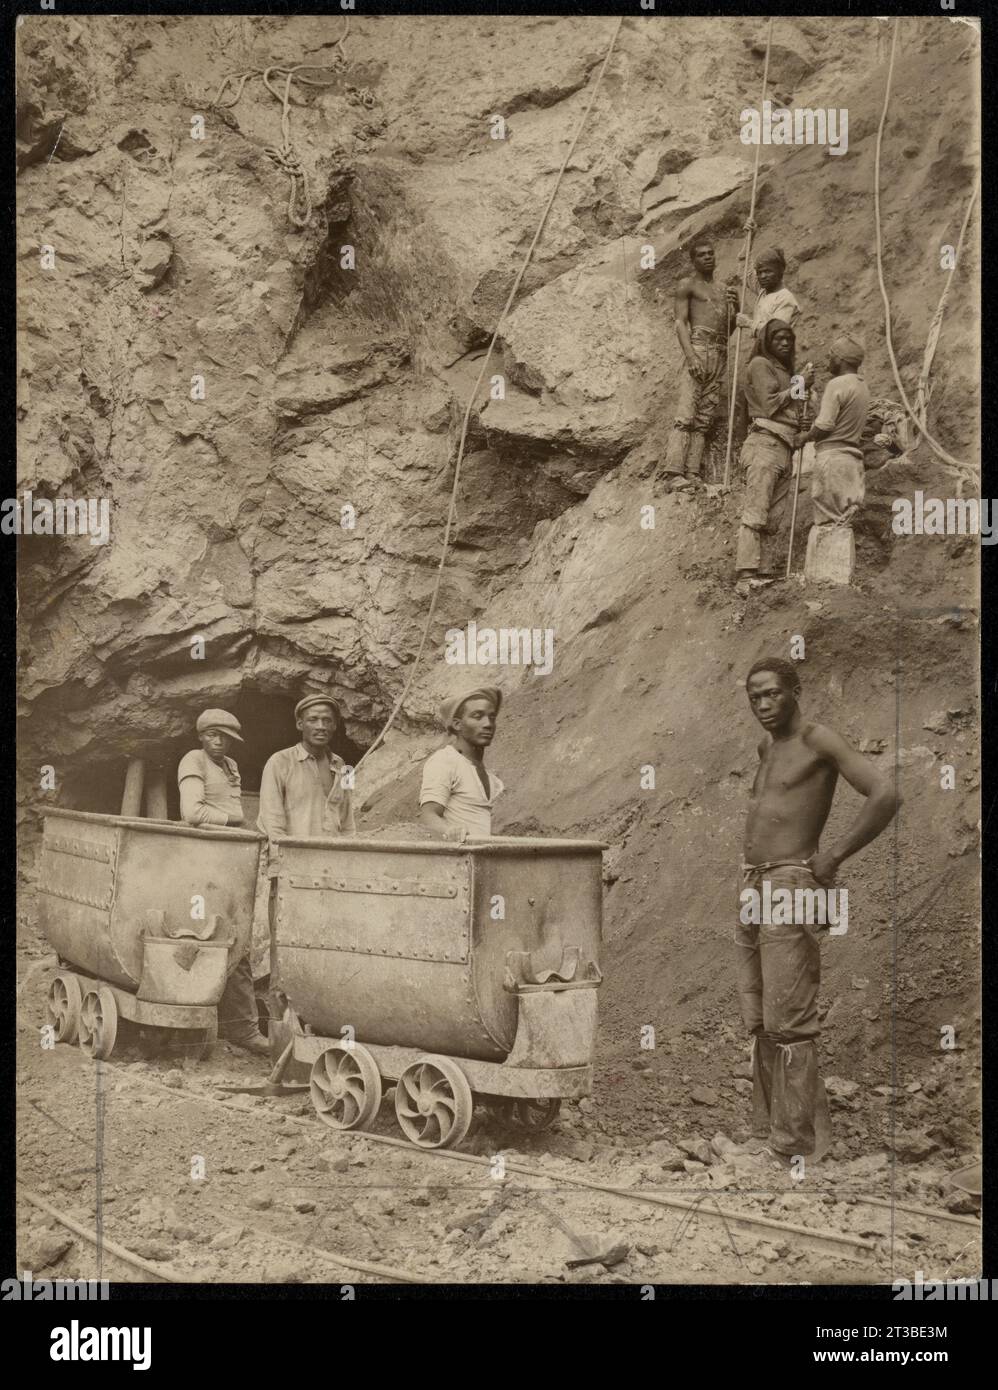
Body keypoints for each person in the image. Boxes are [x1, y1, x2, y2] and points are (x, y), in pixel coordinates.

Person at [737, 658, 899, 1161]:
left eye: (772, 694)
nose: (763, 705)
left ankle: (796, 1146)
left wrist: (832, 857)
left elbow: (886, 793)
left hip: (792, 881)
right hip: (753, 884)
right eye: (755, 697)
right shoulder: (767, 746)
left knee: (790, 1018)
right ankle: (779, 1132)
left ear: (795, 691)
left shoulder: (818, 739)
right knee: (760, 1016)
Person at [177, 709, 268, 1056]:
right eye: (213, 734)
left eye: (225, 736)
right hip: (199, 860)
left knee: (237, 940)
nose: (219, 741)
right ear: (201, 736)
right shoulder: (193, 761)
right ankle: (188, 1028)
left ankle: (242, 1028)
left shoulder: (230, 767)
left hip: (228, 862)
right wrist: (235, 819)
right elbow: (192, 813)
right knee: (198, 938)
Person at [734, 319, 814, 596]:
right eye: (778, 338)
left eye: (788, 339)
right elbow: (769, 405)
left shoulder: (785, 371)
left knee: (774, 516)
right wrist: (798, 385)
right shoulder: (759, 365)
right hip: (764, 443)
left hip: (784, 447)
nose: (784, 343)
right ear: (768, 340)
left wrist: (801, 421)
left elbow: (792, 407)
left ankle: (764, 570)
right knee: (757, 509)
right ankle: (745, 573)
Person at [660, 236, 739, 491]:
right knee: (686, 413)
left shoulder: (723, 289)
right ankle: (673, 473)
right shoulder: (688, 285)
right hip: (699, 347)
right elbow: (680, 322)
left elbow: (729, 328)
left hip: (720, 352)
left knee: (704, 417)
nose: (708, 257)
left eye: (711, 253)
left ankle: (692, 472)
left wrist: (734, 307)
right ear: (694, 260)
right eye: (702, 254)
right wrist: (691, 356)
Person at [792, 334, 871, 575]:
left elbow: (826, 425)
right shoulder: (861, 385)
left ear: (841, 359)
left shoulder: (836, 384)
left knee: (827, 521)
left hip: (832, 458)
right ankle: (839, 578)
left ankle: (823, 578)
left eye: (831, 356)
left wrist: (804, 437)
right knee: (842, 521)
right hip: (851, 460)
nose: (828, 360)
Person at [258, 696, 357, 881]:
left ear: (335, 726)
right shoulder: (279, 762)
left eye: (327, 720)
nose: (321, 726)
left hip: (333, 867)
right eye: (313, 720)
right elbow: (272, 820)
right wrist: (281, 864)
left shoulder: (344, 766)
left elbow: (348, 820)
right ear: (300, 724)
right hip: (295, 867)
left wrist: (348, 861)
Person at [418, 687, 504, 839]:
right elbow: (428, 816)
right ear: (457, 724)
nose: (488, 724)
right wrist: (450, 830)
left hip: (479, 858)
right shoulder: (445, 761)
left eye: (492, 717)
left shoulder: (489, 777)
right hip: (455, 859)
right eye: (478, 716)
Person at [735, 247, 801, 339]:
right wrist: (746, 247)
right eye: (759, 272)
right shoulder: (763, 291)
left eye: (767, 271)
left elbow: (776, 332)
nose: (763, 276)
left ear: (779, 271)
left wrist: (749, 323)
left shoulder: (785, 298)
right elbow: (746, 273)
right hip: (762, 350)